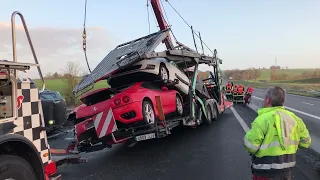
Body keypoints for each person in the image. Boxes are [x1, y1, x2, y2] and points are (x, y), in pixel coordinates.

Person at [243, 86, 311, 180]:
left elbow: (250, 146)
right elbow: (306, 142)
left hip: (264, 172)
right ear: (282, 101)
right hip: (286, 171)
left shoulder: (262, 120)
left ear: (268, 100)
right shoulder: (296, 119)